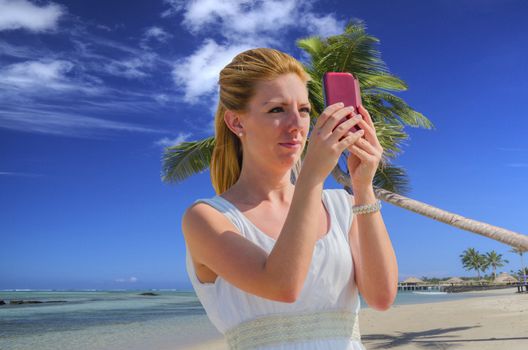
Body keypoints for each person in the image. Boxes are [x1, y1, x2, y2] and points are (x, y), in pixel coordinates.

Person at [182, 48, 398, 349]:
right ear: (237, 123)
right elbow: (283, 285)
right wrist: (311, 178)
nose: (297, 124)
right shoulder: (207, 218)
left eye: (305, 110)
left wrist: (363, 187)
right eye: (276, 110)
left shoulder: (342, 206)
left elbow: (381, 296)